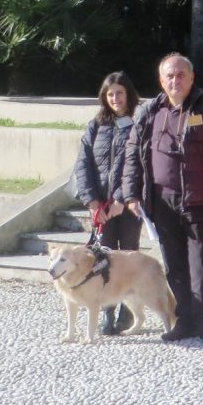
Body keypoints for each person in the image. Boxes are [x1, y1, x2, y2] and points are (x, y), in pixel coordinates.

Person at [123, 54, 203, 346]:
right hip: (161, 202)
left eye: (181, 75)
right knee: (174, 265)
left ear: (192, 78)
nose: (175, 80)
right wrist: (132, 193)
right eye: (169, 76)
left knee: (200, 265)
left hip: (199, 201)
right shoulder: (149, 111)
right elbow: (133, 154)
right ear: (161, 81)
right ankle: (183, 320)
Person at [74, 71, 141, 335]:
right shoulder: (95, 125)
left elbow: (138, 165)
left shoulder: (138, 122)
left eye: (120, 93)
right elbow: (83, 164)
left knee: (128, 256)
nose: (115, 98)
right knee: (103, 258)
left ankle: (127, 310)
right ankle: (107, 312)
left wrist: (122, 200)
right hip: (101, 206)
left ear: (128, 94)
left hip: (127, 204)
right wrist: (91, 201)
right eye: (110, 94)